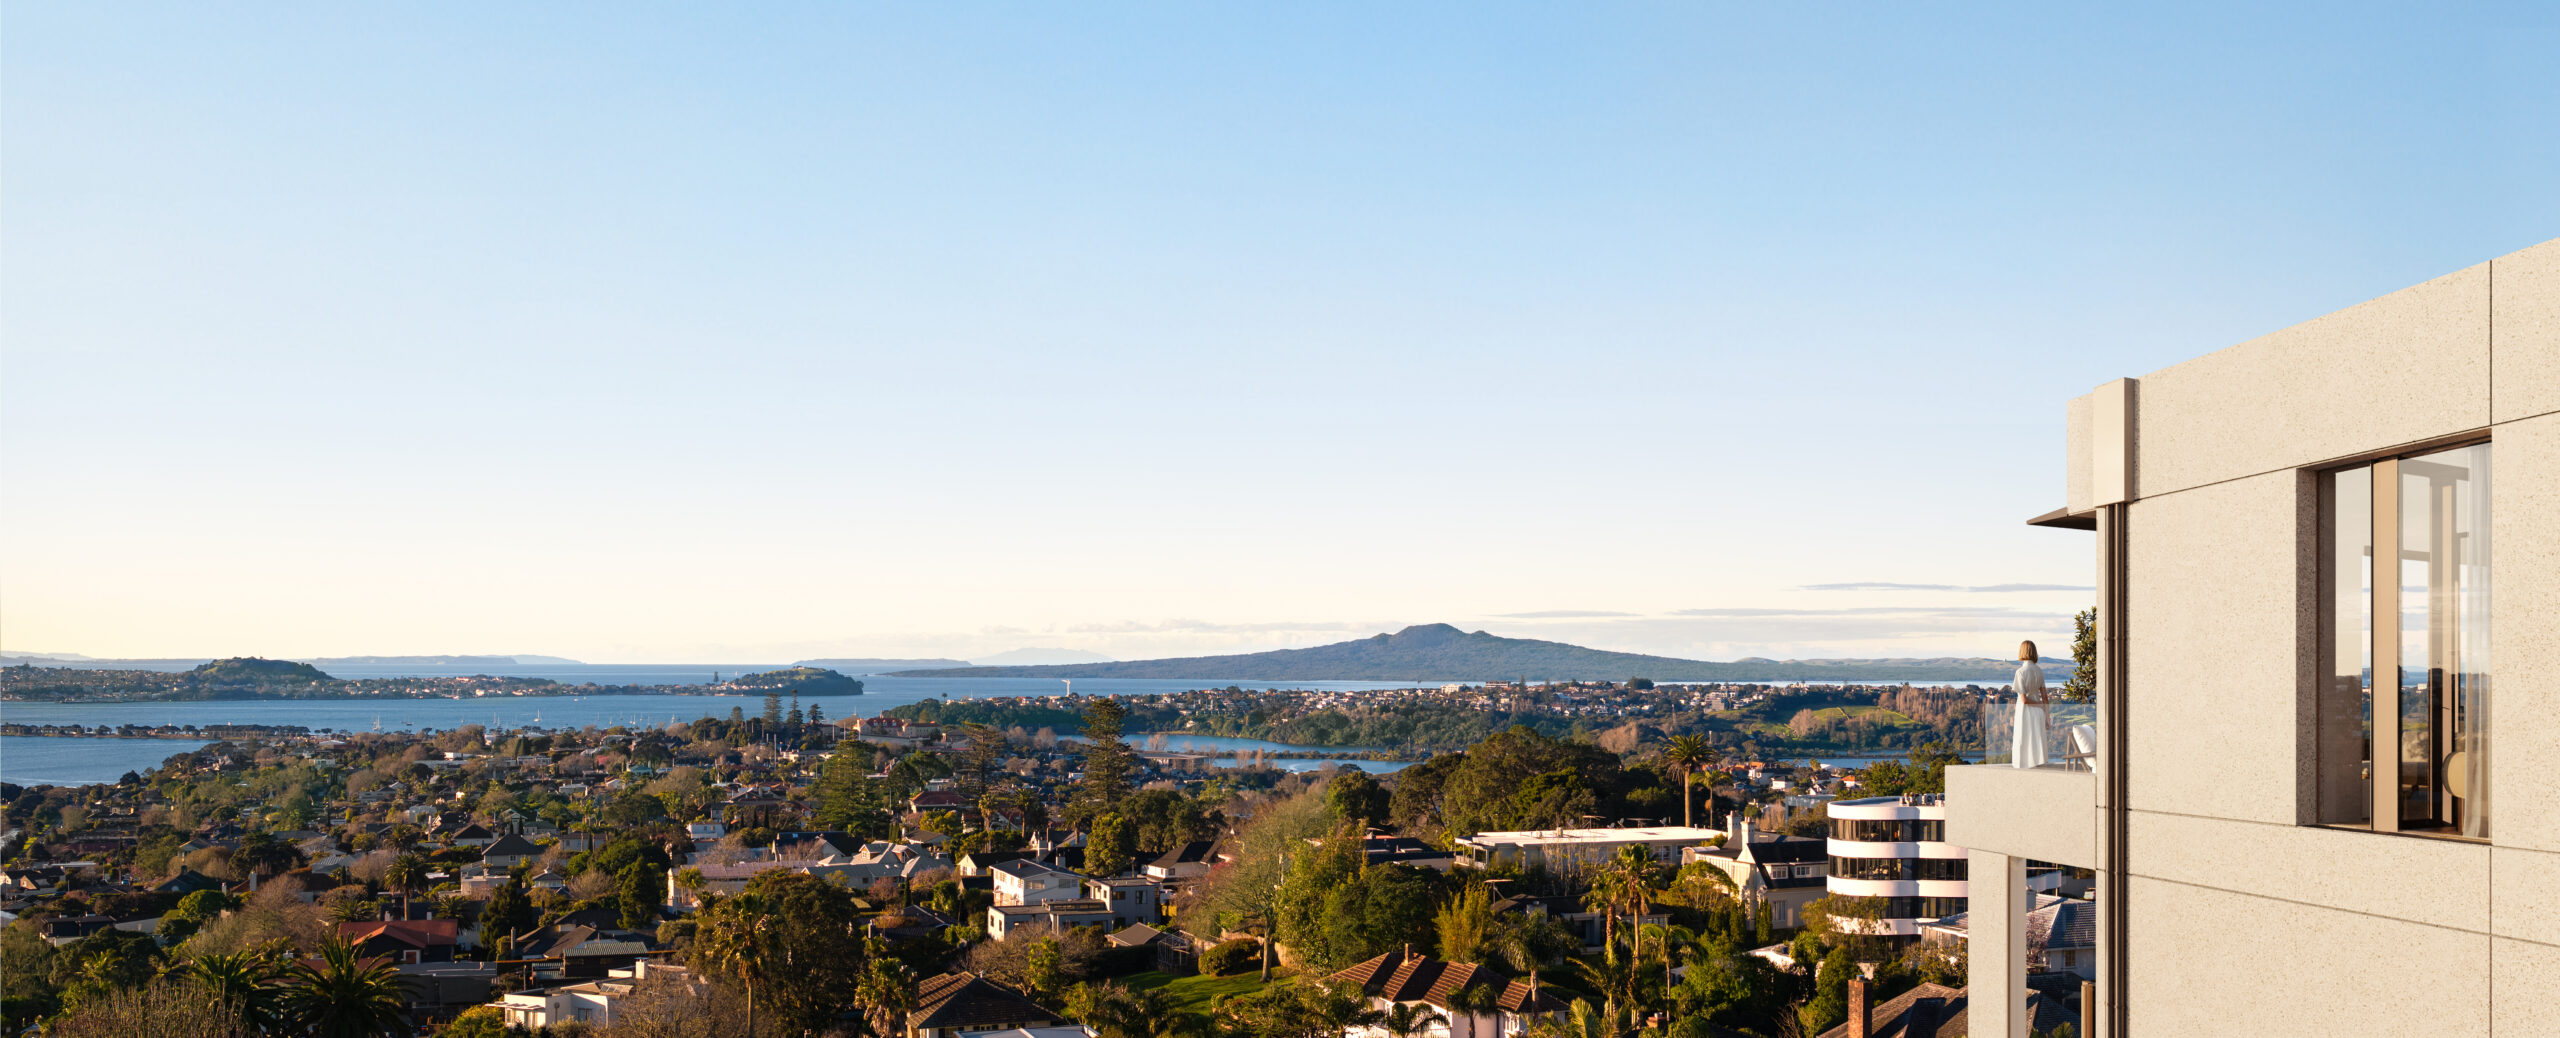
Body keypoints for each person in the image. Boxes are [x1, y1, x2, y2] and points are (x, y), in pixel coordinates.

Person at [2012, 640, 2050, 768]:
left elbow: (2024, 700)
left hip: (2025, 711)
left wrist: (2038, 705)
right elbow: (2045, 697)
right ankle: (2037, 766)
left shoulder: (2020, 672)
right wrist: (2047, 716)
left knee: (2023, 739)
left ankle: (2023, 768)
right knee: (2036, 740)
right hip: (2038, 712)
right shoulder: (2039, 671)